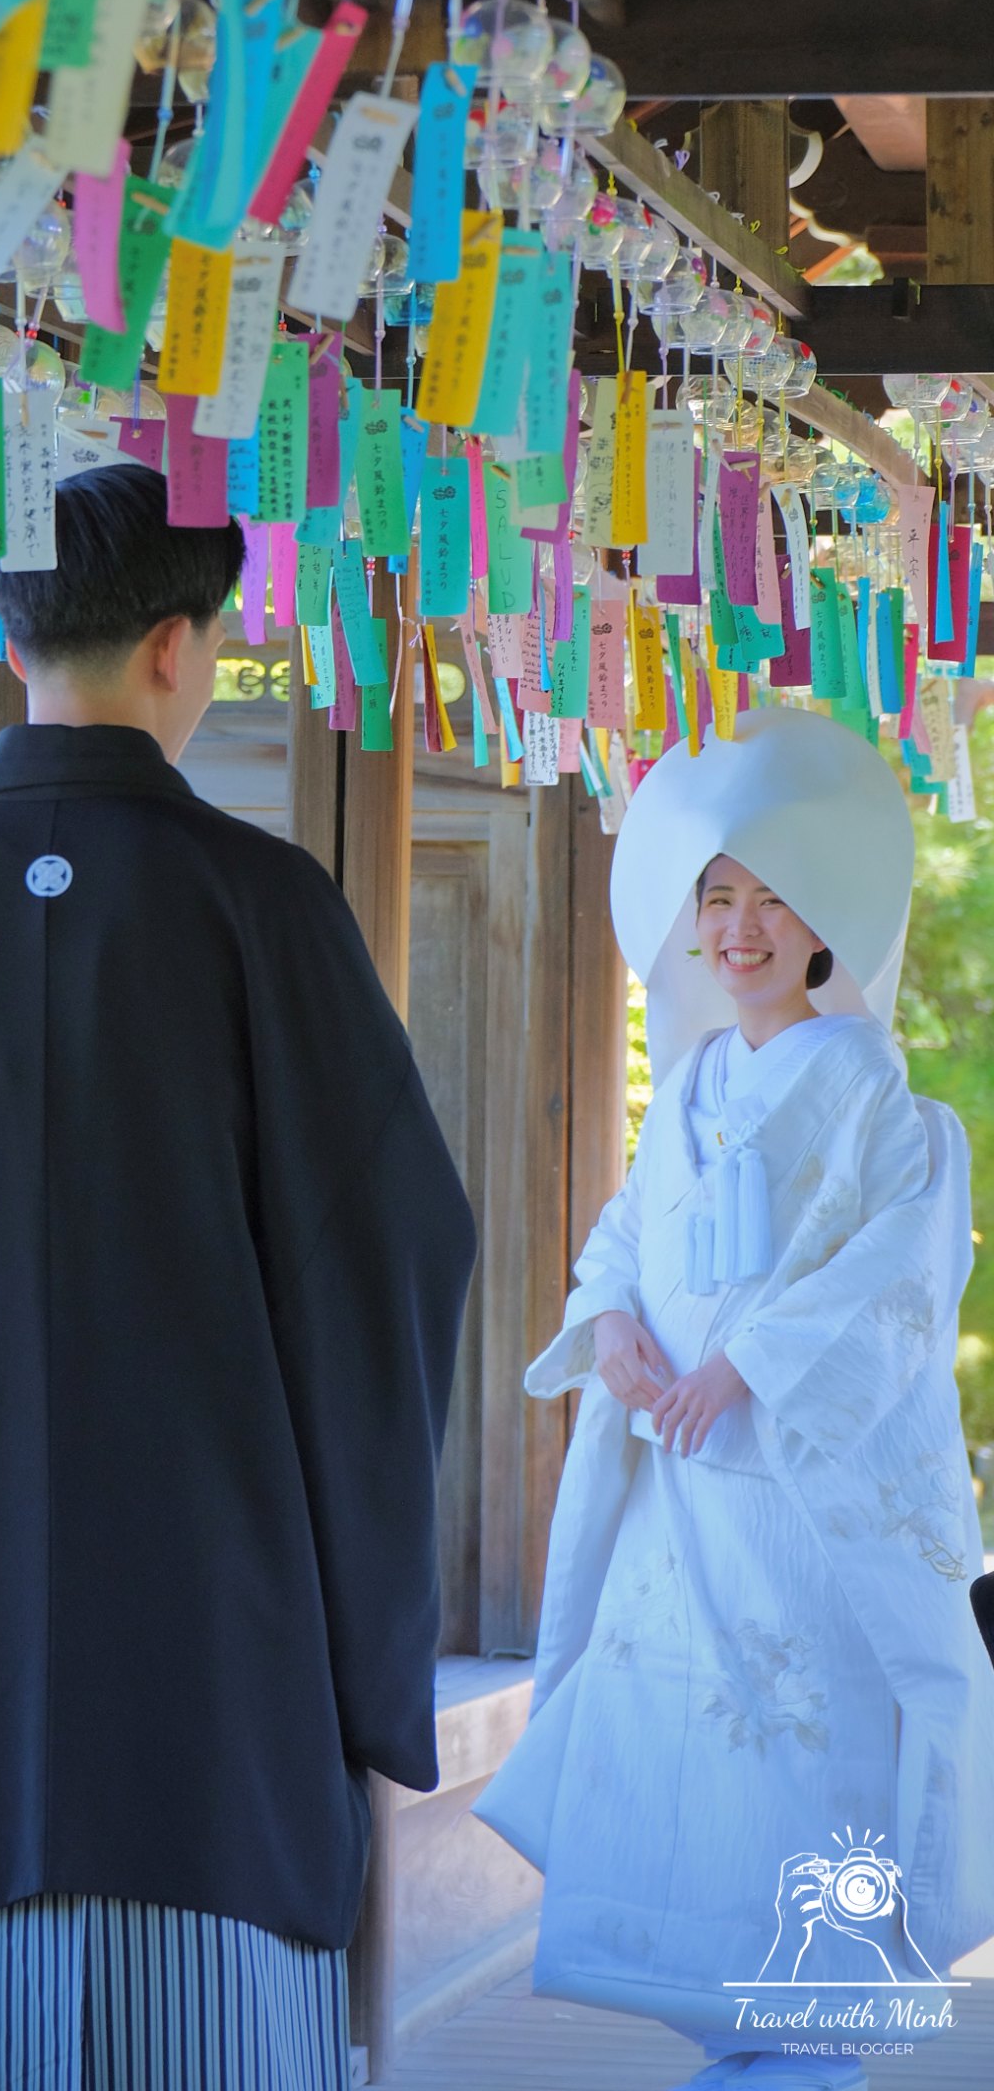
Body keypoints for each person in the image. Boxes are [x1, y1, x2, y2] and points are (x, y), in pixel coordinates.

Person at [0, 459, 476, 2090]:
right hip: (222, 1651)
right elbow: (393, 1268)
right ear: (179, 647)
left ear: (13, 646)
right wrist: (367, 1648)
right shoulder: (267, 911)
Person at [475, 707, 994, 2090]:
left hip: (801, 1508)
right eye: (719, 898)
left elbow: (900, 1275)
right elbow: (625, 1242)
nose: (742, 927)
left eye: (772, 900)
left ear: (824, 923)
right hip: (681, 1491)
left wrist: (746, 1363)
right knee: (676, 1766)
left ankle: (804, 2052)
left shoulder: (888, 1106)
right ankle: (736, 2041)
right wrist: (615, 1331)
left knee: (800, 1778)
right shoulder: (691, 1086)